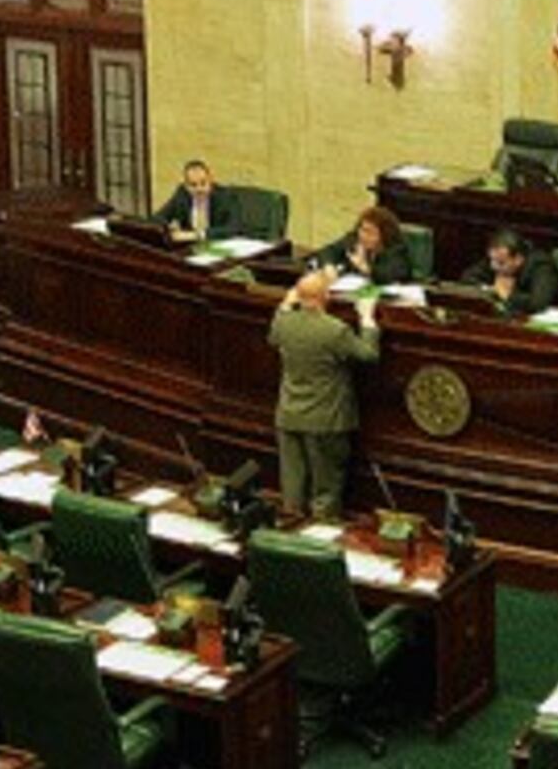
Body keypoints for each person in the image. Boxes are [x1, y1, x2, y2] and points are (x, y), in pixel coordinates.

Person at [270, 270, 380, 519]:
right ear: (326, 297)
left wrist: (288, 301)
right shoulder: (334, 330)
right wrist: (367, 319)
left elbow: (276, 328)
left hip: (288, 416)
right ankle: (319, 535)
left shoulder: (283, 322)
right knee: (325, 492)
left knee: (292, 489)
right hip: (325, 419)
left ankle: (289, 534)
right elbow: (369, 355)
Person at [459, 229, 558, 318]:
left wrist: (508, 295)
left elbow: (538, 304)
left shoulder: (541, 266)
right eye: (491, 260)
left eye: (501, 263)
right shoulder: (496, 259)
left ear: (518, 259)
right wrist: (488, 289)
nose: (493, 266)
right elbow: (467, 277)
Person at [313, 206, 416, 286]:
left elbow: (389, 277)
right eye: (362, 229)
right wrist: (328, 266)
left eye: (370, 232)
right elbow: (328, 251)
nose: (363, 236)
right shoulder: (354, 239)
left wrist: (365, 268)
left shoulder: (397, 249)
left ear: (384, 234)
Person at [152, 160, 243, 241]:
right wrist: (168, 230)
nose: (199, 189)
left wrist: (197, 235)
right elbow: (159, 217)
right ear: (186, 186)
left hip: (217, 245)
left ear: (211, 180)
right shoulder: (182, 195)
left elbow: (234, 228)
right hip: (190, 249)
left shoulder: (225, 197)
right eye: (193, 185)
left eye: (203, 183)